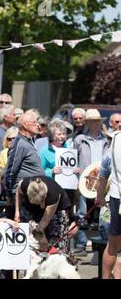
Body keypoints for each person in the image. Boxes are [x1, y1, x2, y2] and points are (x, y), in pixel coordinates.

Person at [73, 109, 109, 253]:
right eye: (93, 121)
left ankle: (103, 242)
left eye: (97, 121)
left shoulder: (107, 140)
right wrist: (75, 170)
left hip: (102, 179)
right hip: (85, 179)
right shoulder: (79, 140)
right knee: (82, 212)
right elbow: (73, 158)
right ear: (87, 123)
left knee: (103, 211)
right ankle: (81, 243)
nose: (96, 123)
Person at [14, 176, 78, 253]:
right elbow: (18, 191)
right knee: (30, 237)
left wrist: (42, 239)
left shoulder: (53, 195)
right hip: (32, 207)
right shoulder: (24, 184)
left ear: (45, 196)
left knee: (56, 243)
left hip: (58, 208)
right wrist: (17, 211)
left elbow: (43, 223)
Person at [4, 112, 45, 219]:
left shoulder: (29, 142)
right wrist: (11, 195)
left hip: (34, 195)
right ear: (25, 125)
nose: (38, 125)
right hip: (23, 198)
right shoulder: (19, 143)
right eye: (34, 122)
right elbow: (10, 171)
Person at [95, 131, 121, 279]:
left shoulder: (116, 139)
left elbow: (103, 174)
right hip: (117, 198)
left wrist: (99, 196)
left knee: (113, 246)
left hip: (117, 198)